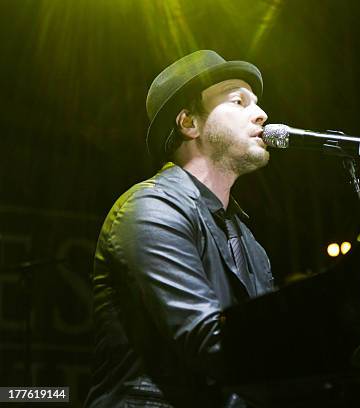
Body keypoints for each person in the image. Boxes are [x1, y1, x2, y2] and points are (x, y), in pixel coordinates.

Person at [85, 50, 275, 408]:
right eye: (238, 100)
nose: (261, 113)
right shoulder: (151, 209)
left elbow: (265, 334)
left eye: (257, 102)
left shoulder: (249, 241)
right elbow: (208, 340)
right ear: (189, 123)